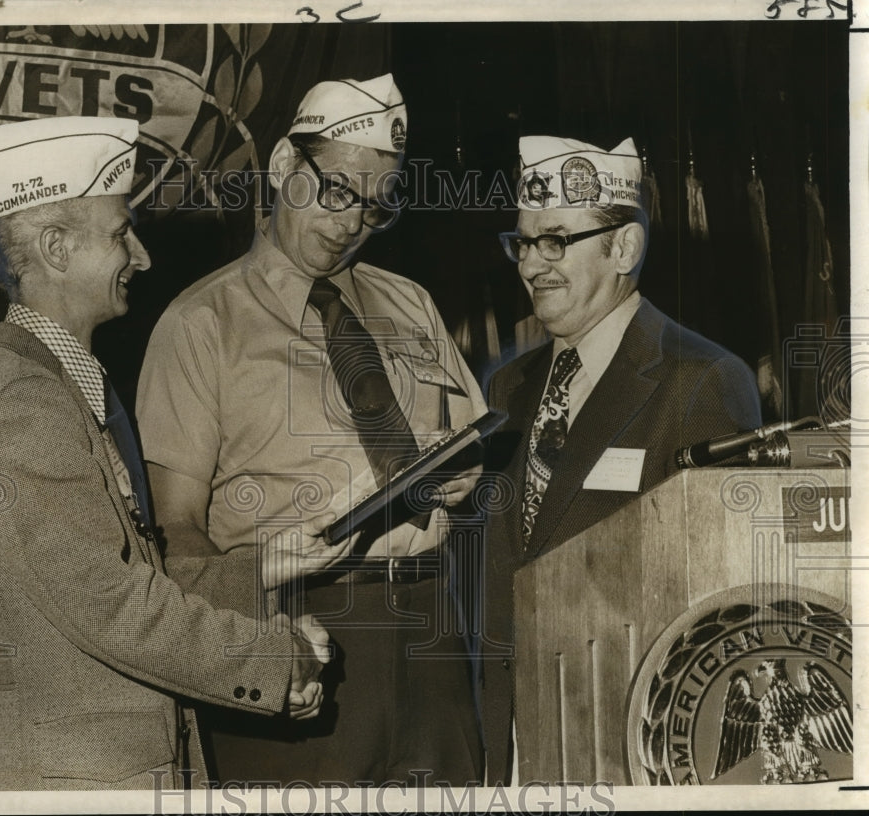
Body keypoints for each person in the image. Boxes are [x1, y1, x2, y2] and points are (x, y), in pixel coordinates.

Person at [0, 116, 347, 791]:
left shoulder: (60, 389)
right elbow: (115, 606)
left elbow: (130, 574)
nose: (143, 257)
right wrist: (274, 660)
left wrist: (263, 571)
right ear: (57, 250)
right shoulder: (21, 408)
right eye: (120, 233)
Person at [136, 74, 488, 786]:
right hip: (303, 630)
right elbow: (174, 533)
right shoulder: (200, 326)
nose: (352, 222)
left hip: (431, 629)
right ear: (283, 165)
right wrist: (263, 649)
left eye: (377, 207)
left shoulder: (410, 303)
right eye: (337, 192)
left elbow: (475, 446)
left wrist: (464, 473)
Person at [480, 135, 762, 784]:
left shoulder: (702, 380)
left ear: (625, 248)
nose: (530, 265)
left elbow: (722, 609)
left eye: (555, 240)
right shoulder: (506, 389)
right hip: (512, 747)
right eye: (521, 243)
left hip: (629, 747)